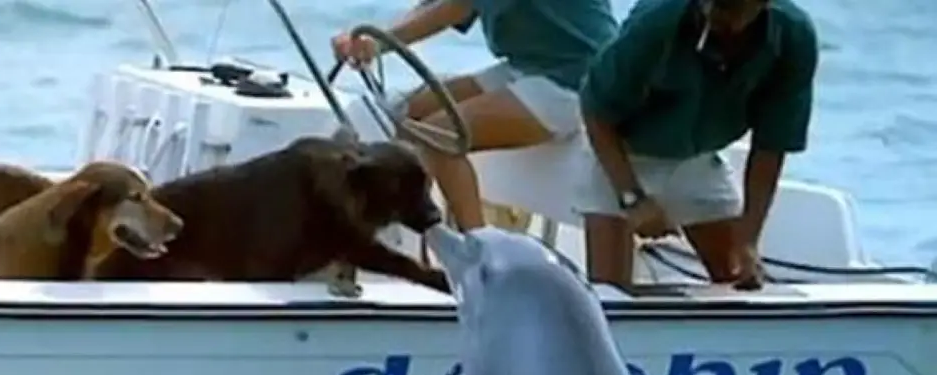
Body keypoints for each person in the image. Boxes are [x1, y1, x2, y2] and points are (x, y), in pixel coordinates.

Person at [576, 0, 819, 290]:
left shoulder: (794, 36)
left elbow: (771, 145)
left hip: (699, 157)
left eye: (730, 7)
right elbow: (595, 111)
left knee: (739, 277)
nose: (713, 12)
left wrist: (749, 239)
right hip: (621, 151)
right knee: (609, 296)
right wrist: (633, 198)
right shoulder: (658, 22)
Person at [331, 0, 617, 231]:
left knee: (439, 137)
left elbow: (457, 7)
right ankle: (418, 236)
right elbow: (434, 5)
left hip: (577, 81)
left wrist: (379, 44)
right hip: (528, 66)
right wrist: (372, 39)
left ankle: (482, 255)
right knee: (410, 116)